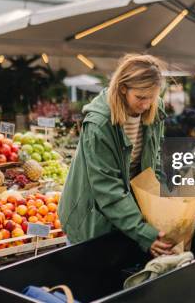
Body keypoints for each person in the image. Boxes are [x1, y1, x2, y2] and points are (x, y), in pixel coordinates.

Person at [58, 54, 173, 257]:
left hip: (124, 214)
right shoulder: (99, 124)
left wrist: (161, 210)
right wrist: (142, 231)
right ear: (122, 89)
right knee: (93, 285)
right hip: (90, 218)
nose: (146, 105)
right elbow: (108, 188)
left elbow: (153, 164)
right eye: (140, 98)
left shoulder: (155, 108)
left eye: (152, 97)